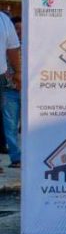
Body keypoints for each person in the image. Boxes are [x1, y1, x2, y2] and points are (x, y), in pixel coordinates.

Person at [0, 11, 20, 171]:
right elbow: (11, 52)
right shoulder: (4, 19)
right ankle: (15, 157)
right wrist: (17, 75)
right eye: (17, 29)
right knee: (10, 125)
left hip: (21, 89)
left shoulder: (4, 19)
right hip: (7, 87)